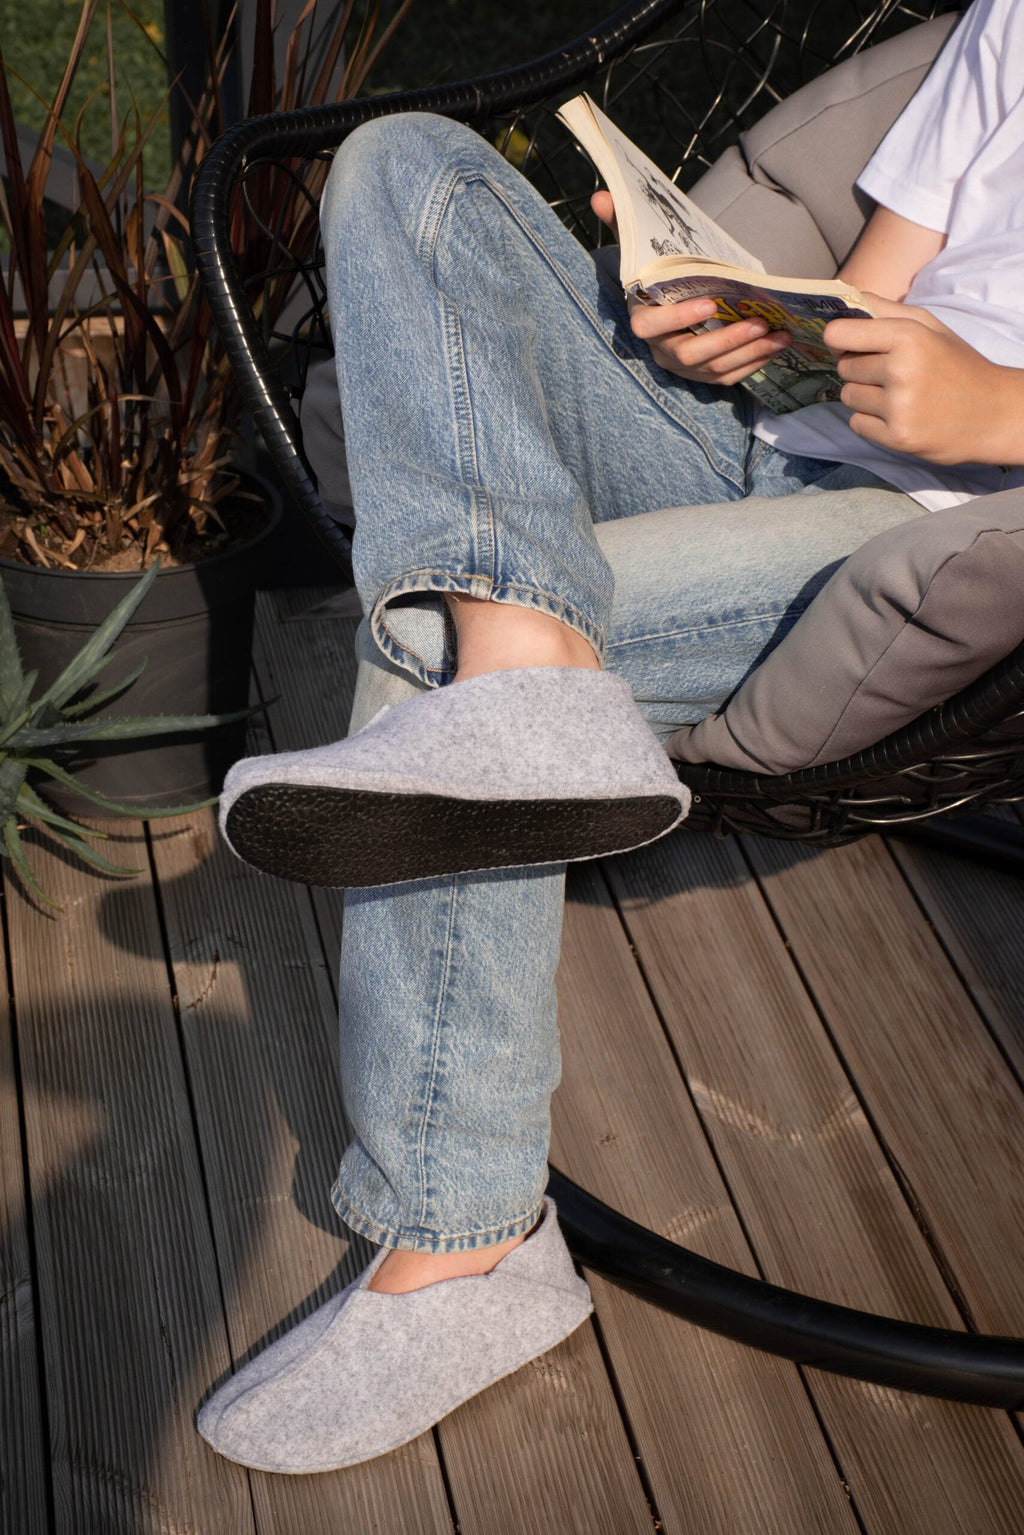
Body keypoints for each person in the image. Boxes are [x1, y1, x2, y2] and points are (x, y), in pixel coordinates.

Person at [198, 0, 1024, 1473]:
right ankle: (537, 667)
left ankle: (464, 1242)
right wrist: (746, 328)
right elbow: (870, 294)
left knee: (442, 635)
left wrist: (1001, 413)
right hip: (768, 437)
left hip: (924, 536)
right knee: (405, 163)